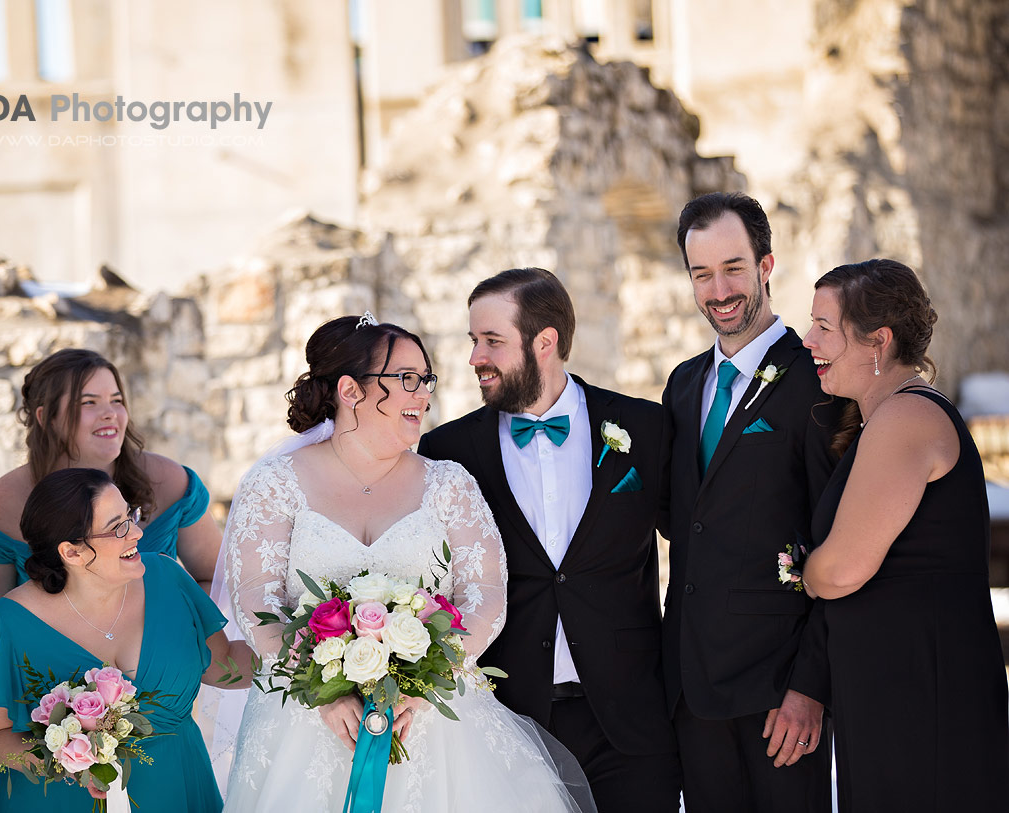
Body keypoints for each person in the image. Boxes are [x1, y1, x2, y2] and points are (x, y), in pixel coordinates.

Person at [220, 314, 595, 812]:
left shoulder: (449, 484)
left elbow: (485, 593)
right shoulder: (275, 484)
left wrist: (429, 679)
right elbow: (255, 601)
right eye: (406, 380)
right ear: (351, 390)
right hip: (306, 722)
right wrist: (323, 692)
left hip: (435, 723)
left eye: (426, 380)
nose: (423, 394)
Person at [418, 268, 681, 811]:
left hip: (630, 720)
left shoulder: (646, 428)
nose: (475, 358)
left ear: (546, 342)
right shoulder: (446, 452)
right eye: (473, 341)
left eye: (492, 341)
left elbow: (698, 547)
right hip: (509, 720)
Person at [801, 259, 1009, 811]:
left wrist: (807, 570)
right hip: (897, 689)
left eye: (824, 327)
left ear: (878, 342)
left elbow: (842, 569)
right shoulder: (886, 418)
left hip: (924, 695)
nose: (807, 340)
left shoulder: (907, 419)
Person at [662, 192, 839, 812]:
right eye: (701, 274)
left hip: (779, 698)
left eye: (733, 268)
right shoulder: (683, 385)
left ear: (767, 265)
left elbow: (834, 542)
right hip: (691, 690)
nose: (719, 290)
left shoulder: (817, 384)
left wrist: (810, 688)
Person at [0, 467, 250, 811]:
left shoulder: (168, 579)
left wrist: (302, 648)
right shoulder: (4, 627)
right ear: (72, 552)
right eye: (118, 527)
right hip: (63, 801)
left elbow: (222, 664)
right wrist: (71, 762)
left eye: (131, 515)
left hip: (177, 787)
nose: (137, 533)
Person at [0, 348, 220, 613]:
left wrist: (174, 631)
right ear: (47, 418)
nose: (110, 413)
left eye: (117, 400)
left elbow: (219, 581)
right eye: (89, 402)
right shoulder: (4, 504)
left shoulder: (169, 482)